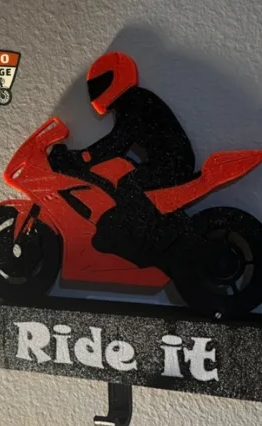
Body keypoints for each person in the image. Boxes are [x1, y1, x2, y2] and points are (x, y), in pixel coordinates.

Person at [48, 52, 197, 268]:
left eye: (101, 84)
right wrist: (83, 156)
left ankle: (153, 238)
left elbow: (116, 143)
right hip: (167, 159)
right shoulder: (131, 102)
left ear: (117, 76)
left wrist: (80, 157)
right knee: (123, 176)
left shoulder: (135, 102)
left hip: (173, 162)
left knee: (128, 184)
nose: (96, 92)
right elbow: (117, 143)